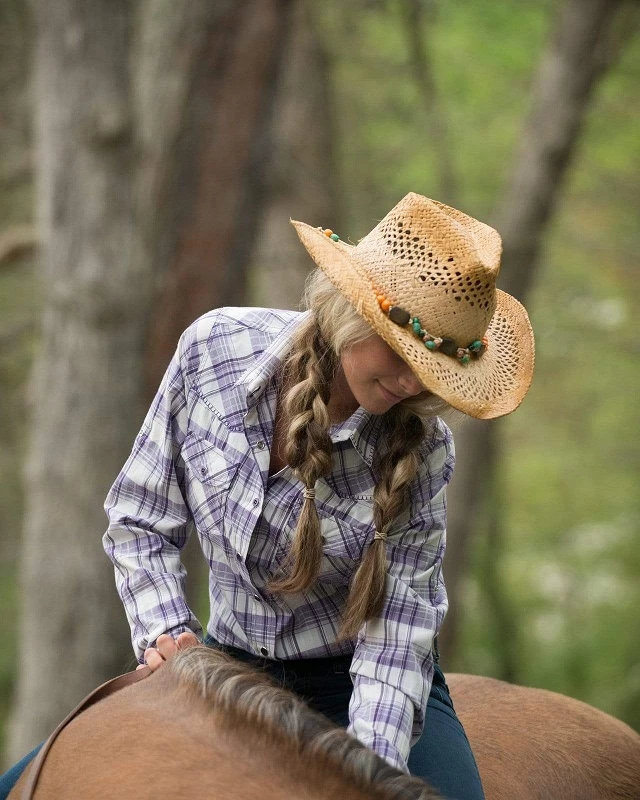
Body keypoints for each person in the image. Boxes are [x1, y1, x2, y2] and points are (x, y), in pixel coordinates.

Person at [0, 192, 534, 799]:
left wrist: (366, 770)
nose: (412, 382)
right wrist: (167, 638)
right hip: (222, 667)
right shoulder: (213, 351)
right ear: (353, 313)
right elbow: (141, 515)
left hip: (357, 685)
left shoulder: (426, 451)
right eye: (401, 349)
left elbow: (398, 629)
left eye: (433, 367)